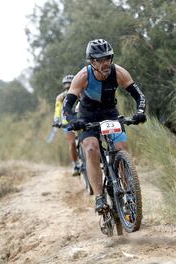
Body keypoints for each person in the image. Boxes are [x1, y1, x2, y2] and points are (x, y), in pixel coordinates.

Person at [62, 39, 147, 214]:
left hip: (110, 114)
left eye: (108, 58)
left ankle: (128, 189)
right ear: (92, 62)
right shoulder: (83, 76)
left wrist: (139, 112)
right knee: (92, 149)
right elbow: (67, 106)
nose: (105, 62)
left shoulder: (119, 73)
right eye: (100, 59)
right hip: (87, 116)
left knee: (121, 146)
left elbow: (139, 96)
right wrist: (73, 121)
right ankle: (100, 197)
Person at [52, 74, 81, 176]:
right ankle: (76, 165)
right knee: (72, 143)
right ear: (64, 86)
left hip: (80, 118)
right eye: (66, 85)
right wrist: (56, 121)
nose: (68, 87)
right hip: (67, 122)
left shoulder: (80, 93)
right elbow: (57, 110)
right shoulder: (60, 97)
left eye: (70, 84)